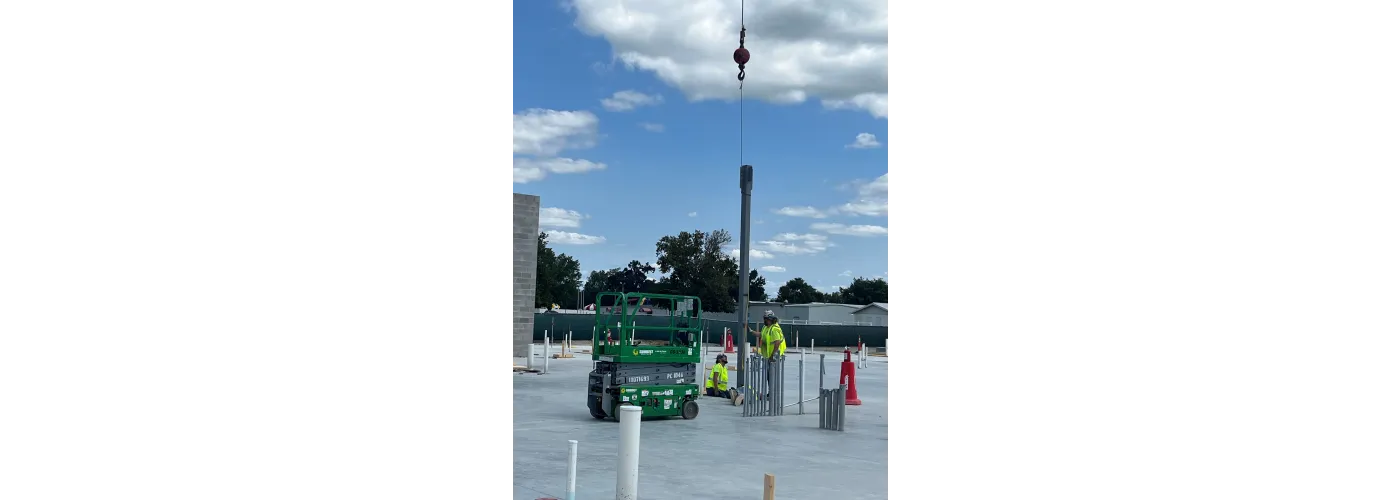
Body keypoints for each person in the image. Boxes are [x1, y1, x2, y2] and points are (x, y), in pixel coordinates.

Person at [747, 311, 786, 400]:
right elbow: (761, 334)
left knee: (772, 376)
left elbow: (777, 343)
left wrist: (772, 356)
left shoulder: (774, 329)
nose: (764, 320)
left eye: (765, 319)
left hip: (774, 357)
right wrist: (751, 331)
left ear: (770, 319)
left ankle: (773, 394)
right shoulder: (766, 327)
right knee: (768, 376)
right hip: (768, 357)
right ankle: (770, 393)